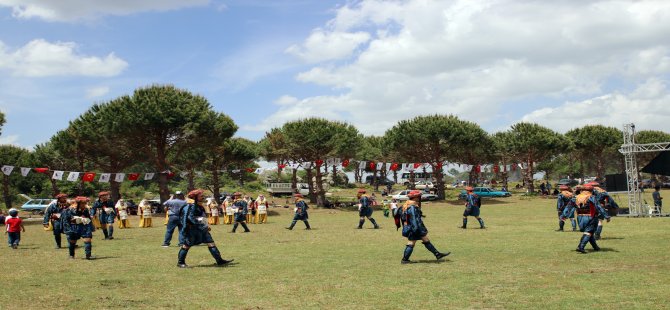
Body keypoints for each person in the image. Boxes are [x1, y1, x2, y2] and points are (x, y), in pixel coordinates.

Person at [176, 189, 234, 268]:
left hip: (202, 229)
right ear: (195, 197)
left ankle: (219, 261)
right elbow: (190, 218)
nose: (203, 197)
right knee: (187, 245)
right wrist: (201, 225)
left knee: (211, 243)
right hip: (192, 230)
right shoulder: (191, 205)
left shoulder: (197, 205)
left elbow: (201, 217)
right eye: (201, 196)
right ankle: (180, 262)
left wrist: (204, 226)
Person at [399, 190, 450, 264]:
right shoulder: (412, 207)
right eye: (419, 196)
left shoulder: (408, 205)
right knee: (411, 243)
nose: (420, 197)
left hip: (413, 227)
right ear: (415, 197)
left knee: (425, 240)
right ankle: (404, 260)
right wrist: (416, 229)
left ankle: (437, 254)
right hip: (414, 228)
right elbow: (413, 219)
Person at [563, 184, 611, 253]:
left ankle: (595, 247)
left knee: (590, 232)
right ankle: (580, 247)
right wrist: (606, 216)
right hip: (590, 217)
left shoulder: (575, 198)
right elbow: (599, 207)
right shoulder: (591, 197)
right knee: (588, 232)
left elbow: (568, 207)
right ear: (591, 190)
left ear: (582, 190)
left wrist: (563, 216)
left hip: (580, 218)